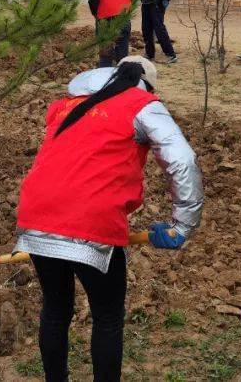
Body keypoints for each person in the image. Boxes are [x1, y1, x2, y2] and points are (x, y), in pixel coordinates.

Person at [16, 56, 203, 382]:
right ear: (148, 85)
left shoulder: (65, 104)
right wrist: (182, 223)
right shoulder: (142, 103)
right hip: (91, 219)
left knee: (56, 310)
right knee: (107, 318)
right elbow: (183, 159)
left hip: (37, 214)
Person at [88, 0, 133, 68]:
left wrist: (95, 13)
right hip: (123, 17)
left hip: (105, 19)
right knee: (123, 56)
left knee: (105, 56)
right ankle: (123, 82)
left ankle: (105, 81)